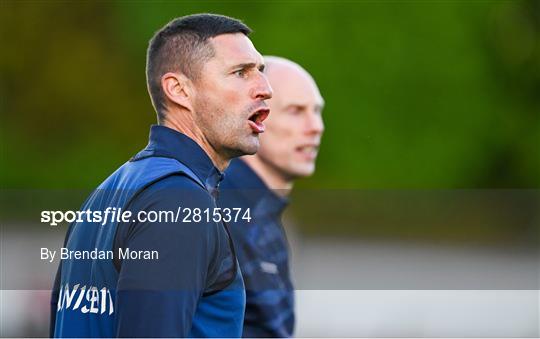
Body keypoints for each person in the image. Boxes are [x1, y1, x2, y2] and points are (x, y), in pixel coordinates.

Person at [50, 13, 272, 338]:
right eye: (240, 72)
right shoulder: (180, 202)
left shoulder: (106, 193)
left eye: (261, 72)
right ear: (179, 90)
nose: (265, 89)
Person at [219, 56, 325, 337]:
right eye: (296, 111)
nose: (316, 126)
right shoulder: (220, 214)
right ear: (253, 117)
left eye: (317, 111)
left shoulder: (262, 212)